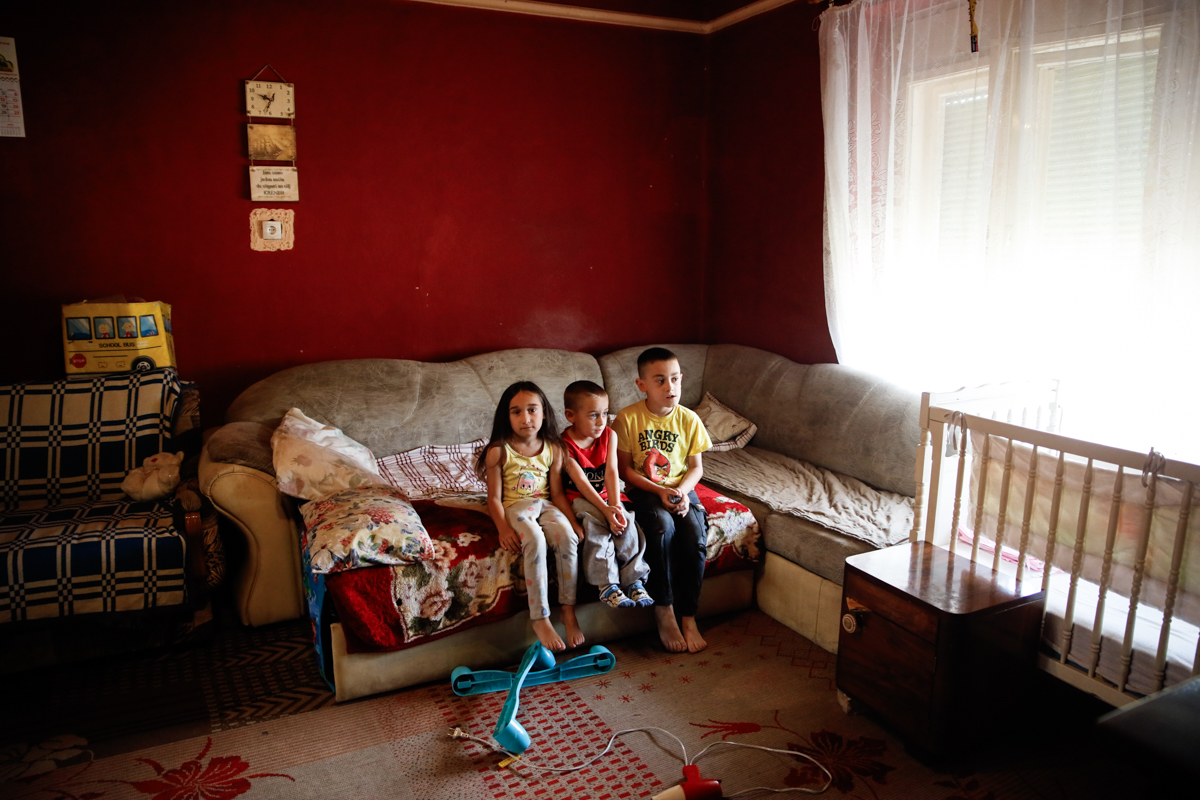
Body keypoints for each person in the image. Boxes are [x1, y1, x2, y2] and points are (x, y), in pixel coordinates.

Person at [613, 348, 712, 653]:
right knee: (661, 527)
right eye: (660, 381)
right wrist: (659, 492)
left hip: (681, 488)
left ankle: (689, 615)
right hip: (645, 488)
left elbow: (696, 468)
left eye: (675, 379)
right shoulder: (628, 418)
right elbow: (625, 470)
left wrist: (682, 492)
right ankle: (664, 608)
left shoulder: (689, 419)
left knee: (695, 535)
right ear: (642, 384)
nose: (670, 387)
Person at [477, 381, 583, 651]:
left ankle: (568, 609)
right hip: (516, 506)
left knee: (567, 537)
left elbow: (557, 494)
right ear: (507, 417)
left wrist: (572, 522)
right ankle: (540, 617)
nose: (526, 418)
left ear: (544, 413)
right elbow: (493, 499)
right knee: (535, 540)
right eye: (517, 412)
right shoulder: (499, 451)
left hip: (545, 504)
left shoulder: (553, 448)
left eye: (532, 410)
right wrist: (503, 528)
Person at [559, 380, 652, 610]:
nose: (601, 421)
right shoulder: (562, 444)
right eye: (593, 415)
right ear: (571, 415)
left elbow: (612, 472)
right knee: (597, 523)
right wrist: (605, 510)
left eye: (605, 413)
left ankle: (634, 581)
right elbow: (581, 482)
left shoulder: (610, 435)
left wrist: (616, 506)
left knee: (627, 522)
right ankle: (606, 585)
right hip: (579, 497)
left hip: (607, 495)